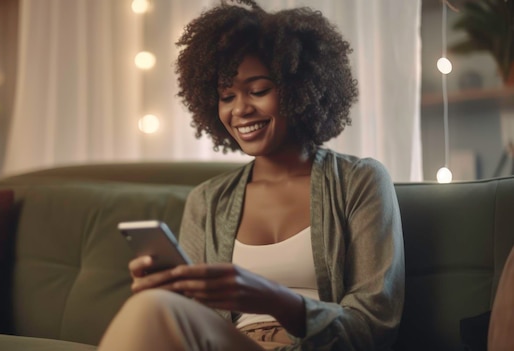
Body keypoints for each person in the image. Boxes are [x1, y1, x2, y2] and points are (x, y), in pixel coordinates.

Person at [98, 0, 404, 350]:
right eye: (226, 96)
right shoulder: (208, 201)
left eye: (258, 91)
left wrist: (275, 299)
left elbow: (374, 327)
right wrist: (170, 293)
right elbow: (197, 321)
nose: (240, 109)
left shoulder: (359, 182)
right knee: (151, 306)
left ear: (299, 89)